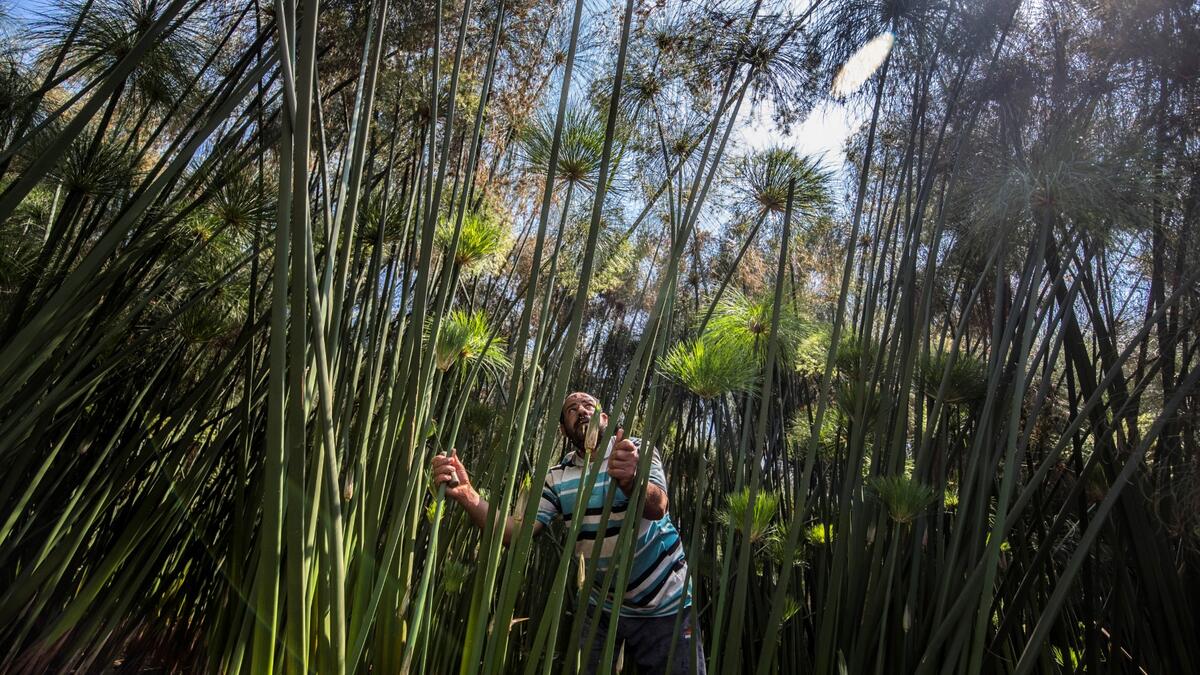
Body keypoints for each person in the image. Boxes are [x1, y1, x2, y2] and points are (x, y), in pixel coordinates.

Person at [432, 391, 706, 674]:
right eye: (572, 409)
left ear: (604, 418)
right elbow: (515, 533)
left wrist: (631, 479)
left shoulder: (635, 449)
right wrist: (468, 495)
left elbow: (658, 506)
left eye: (589, 405)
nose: (582, 410)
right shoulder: (557, 476)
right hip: (600, 606)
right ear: (563, 429)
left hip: (666, 604)